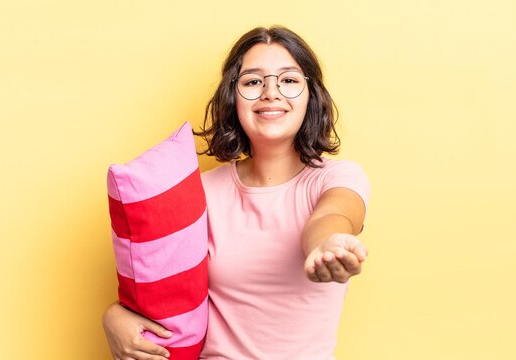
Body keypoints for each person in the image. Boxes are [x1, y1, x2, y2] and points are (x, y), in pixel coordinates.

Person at [102, 25, 370, 360]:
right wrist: (112, 316)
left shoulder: (337, 177)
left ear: (311, 95)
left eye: (288, 80)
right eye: (253, 82)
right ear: (233, 97)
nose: (270, 92)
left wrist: (327, 244)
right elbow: (161, 278)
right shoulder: (201, 191)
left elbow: (334, 216)